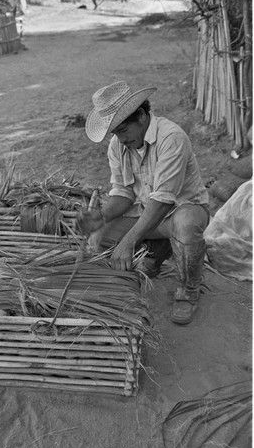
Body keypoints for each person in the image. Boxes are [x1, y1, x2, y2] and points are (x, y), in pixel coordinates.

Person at [79, 81, 209, 325]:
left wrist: (129, 241)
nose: (119, 138)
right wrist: (102, 216)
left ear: (140, 116)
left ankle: (188, 291)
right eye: (114, 133)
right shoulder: (119, 145)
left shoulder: (171, 138)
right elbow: (123, 193)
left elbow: (163, 201)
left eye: (122, 130)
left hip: (181, 211)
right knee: (100, 237)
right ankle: (158, 249)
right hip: (146, 214)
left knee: (186, 225)